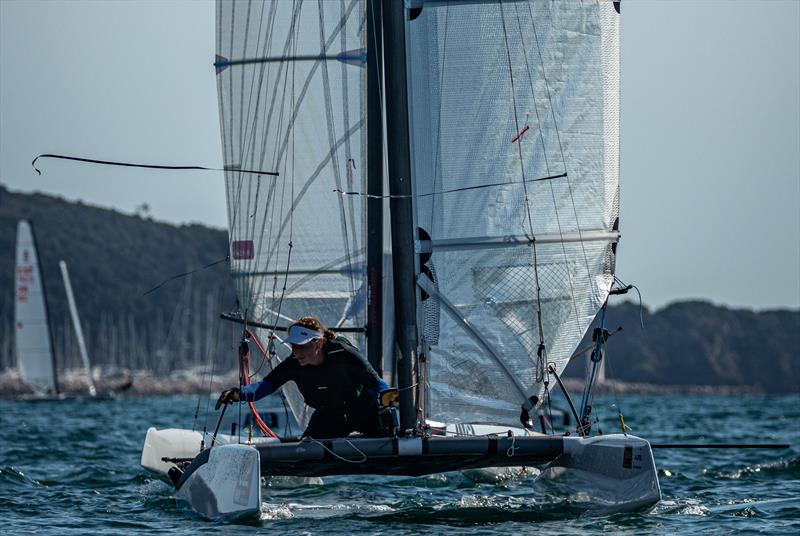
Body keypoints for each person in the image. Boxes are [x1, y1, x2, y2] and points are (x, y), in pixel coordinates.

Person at [217, 316, 389, 439]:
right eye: (294, 346)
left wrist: (388, 397)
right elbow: (266, 386)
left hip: (364, 411)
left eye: (302, 346)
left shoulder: (344, 354)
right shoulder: (293, 363)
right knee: (307, 445)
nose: (296, 352)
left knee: (385, 431)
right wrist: (239, 394)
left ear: (319, 343)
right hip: (330, 416)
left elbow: (377, 384)